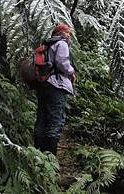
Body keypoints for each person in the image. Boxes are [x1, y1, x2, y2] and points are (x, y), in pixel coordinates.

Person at [33, 23, 76, 155]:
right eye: (67, 32)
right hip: (56, 86)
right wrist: (71, 72)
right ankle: (50, 159)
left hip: (44, 85)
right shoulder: (61, 44)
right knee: (54, 121)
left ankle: (37, 154)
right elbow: (62, 63)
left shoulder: (47, 44)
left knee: (42, 119)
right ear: (61, 33)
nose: (69, 35)